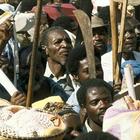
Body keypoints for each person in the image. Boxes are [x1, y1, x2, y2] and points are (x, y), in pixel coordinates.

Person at [66, 45, 103, 113]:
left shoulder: (111, 91)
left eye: (98, 68)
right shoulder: (73, 107)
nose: (95, 74)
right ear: (75, 76)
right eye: (87, 71)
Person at [40, 26, 74, 97]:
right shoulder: (39, 77)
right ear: (45, 49)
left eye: (68, 42)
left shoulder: (76, 78)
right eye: (57, 42)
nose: (65, 45)